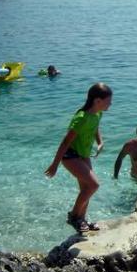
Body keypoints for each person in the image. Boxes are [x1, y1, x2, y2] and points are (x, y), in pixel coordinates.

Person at [44, 82, 113, 233]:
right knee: (94, 185)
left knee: (86, 189)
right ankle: (74, 216)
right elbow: (65, 142)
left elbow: (95, 127)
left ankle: (81, 218)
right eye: (108, 101)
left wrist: (100, 142)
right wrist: (55, 165)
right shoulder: (81, 117)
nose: (111, 104)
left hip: (84, 154)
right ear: (97, 101)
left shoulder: (97, 113)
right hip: (70, 155)